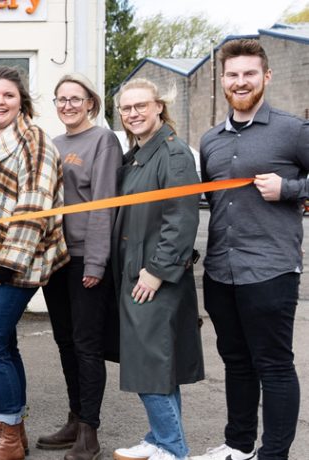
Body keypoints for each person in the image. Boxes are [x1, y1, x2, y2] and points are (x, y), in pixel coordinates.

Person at [193, 38, 307, 460]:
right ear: (222, 80)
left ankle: (273, 454)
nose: (241, 82)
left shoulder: (293, 131)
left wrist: (290, 188)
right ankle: (238, 446)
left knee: (273, 365)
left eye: (249, 74)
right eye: (233, 75)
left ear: (266, 77)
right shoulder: (210, 141)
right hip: (222, 270)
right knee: (237, 364)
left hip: (271, 269)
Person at [0, 66, 68, 460]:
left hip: (12, 260)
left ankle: (5, 438)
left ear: (21, 101)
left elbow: (36, 201)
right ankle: (15, 433)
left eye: (8, 95)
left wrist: (10, 261)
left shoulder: (33, 139)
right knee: (2, 344)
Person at [109, 78, 203, 460]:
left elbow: (181, 219)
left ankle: (171, 447)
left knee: (150, 363)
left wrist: (157, 271)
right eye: (126, 109)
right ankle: (160, 438)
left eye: (140, 106)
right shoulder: (139, 154)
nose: (133, 114)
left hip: (152, 276)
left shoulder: (173, 154)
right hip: (136, 271)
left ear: (158, 107)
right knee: (156, 364)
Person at [36, 73, 122, 460]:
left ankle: (89, 431)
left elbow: (104, 203)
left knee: (87, 345)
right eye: (61, 99)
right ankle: (74, 418)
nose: (67, 105)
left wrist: (99, 261)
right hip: (57, 256)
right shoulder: (54, 144)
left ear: (91, 103)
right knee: (65, 341)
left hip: (87, 256)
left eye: (75, 99)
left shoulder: (103, 140)